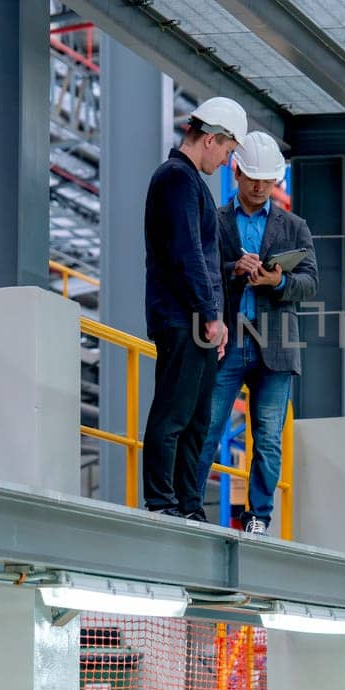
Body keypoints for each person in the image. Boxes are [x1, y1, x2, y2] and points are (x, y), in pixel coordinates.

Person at [199, 131, 318, 534]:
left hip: (276, 348)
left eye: (267, 181)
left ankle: (258, 517)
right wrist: (234, 269)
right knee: (208, 427)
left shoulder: (294, 227)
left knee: (267, 438)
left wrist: (277, 283)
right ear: (237, 172)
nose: (260, 187)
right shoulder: (214, 221)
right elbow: (202, 272)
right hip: (228, 342)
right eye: (253, 179)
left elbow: (310, 282)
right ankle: (190, 506)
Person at [142, 97, 247, 521]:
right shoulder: (176, 180)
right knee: (174, 414)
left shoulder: (190, 184)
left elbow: (202, 256)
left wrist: (216, 314)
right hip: (182, 317)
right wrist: (210, 314)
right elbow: (186, 253)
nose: (226, 162)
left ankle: (188, 506)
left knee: (196, 420)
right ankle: (162, 502)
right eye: (226, 152)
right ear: (210, 139)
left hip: (198, 320)